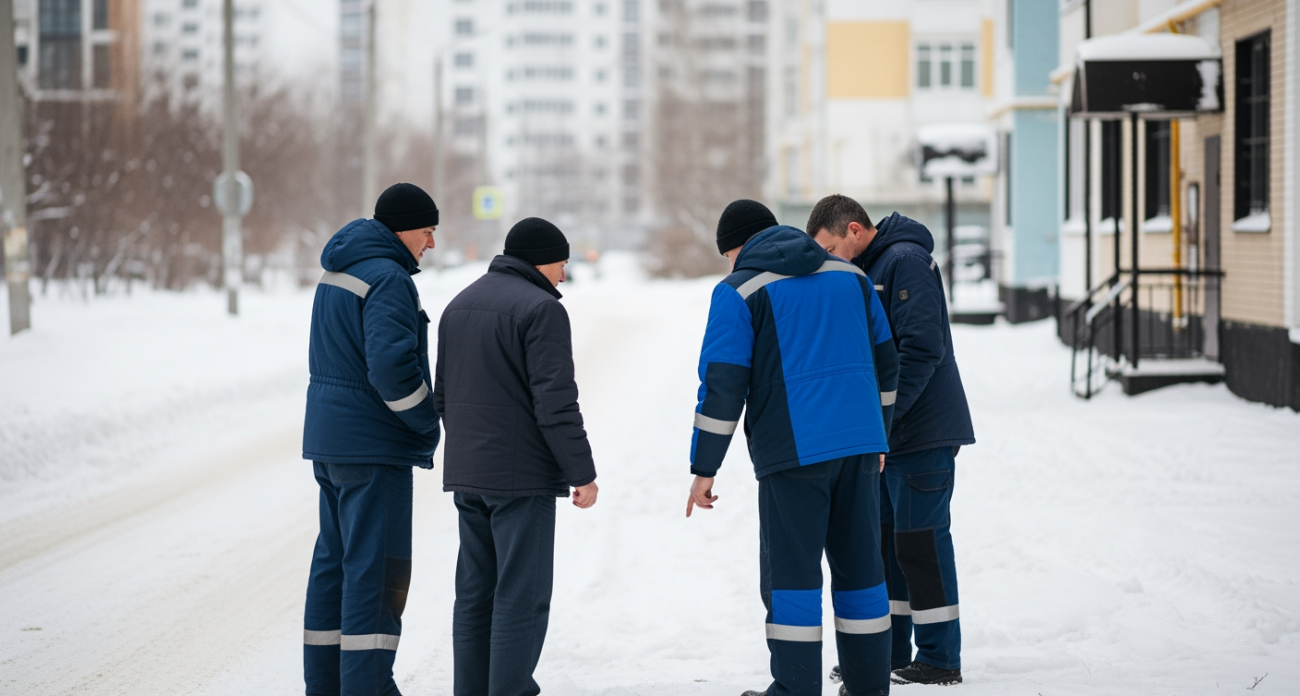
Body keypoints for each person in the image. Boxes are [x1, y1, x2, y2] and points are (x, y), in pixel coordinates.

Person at [686, 200, 900, 696]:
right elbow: (887, 364)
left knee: (793, 576)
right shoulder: (852, 278)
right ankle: (869, 687)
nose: (731, 264)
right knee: (863, 569)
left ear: (738, 247)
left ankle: (796, 689)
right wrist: (879, 432)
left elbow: (722, 385)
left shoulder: (739, 291)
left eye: (729, 254)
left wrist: (704, 467)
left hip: (794, 453)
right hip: (862, 448)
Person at [806, 194, 975, 687]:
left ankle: (940, 658)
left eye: (833, 248)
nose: (831, 260)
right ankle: (892, 650)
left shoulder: (905, 261)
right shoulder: (872, 266)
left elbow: (921, 348)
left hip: (921, 432)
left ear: (855, 230)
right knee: (886, 545)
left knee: (921, 544)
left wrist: (884, 417)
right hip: (888, 436)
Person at [434, 217, 599, 696]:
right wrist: (581, 472)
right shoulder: (541, 310)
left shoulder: (458, 305)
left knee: (475, 594)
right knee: (520, 597)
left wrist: (470, 452)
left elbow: (444, 394)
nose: (563, 277)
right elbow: (555, 401)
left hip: (468, 475)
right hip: (520, 479)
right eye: (562, 265)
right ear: (541, 260)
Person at [301, 182, 443, 696]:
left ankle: (327, 686)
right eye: (427, 232)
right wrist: (427, 421)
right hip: (372, 447)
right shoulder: (389, 278)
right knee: (375, 574)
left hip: (331, 441)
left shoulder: (340, 268)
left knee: (334, 567)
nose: (430, 244)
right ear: (404, 228)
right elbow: (392, 369)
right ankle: (367, 688)